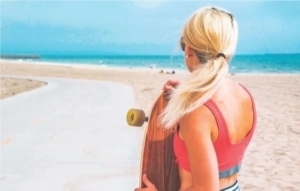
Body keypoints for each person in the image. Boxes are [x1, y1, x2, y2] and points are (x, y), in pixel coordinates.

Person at [134, 6, 256, 191]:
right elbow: (219, 143)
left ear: (189, 49)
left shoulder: (196, 111)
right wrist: (186, 93)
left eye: (184, 44)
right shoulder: (245, 95)